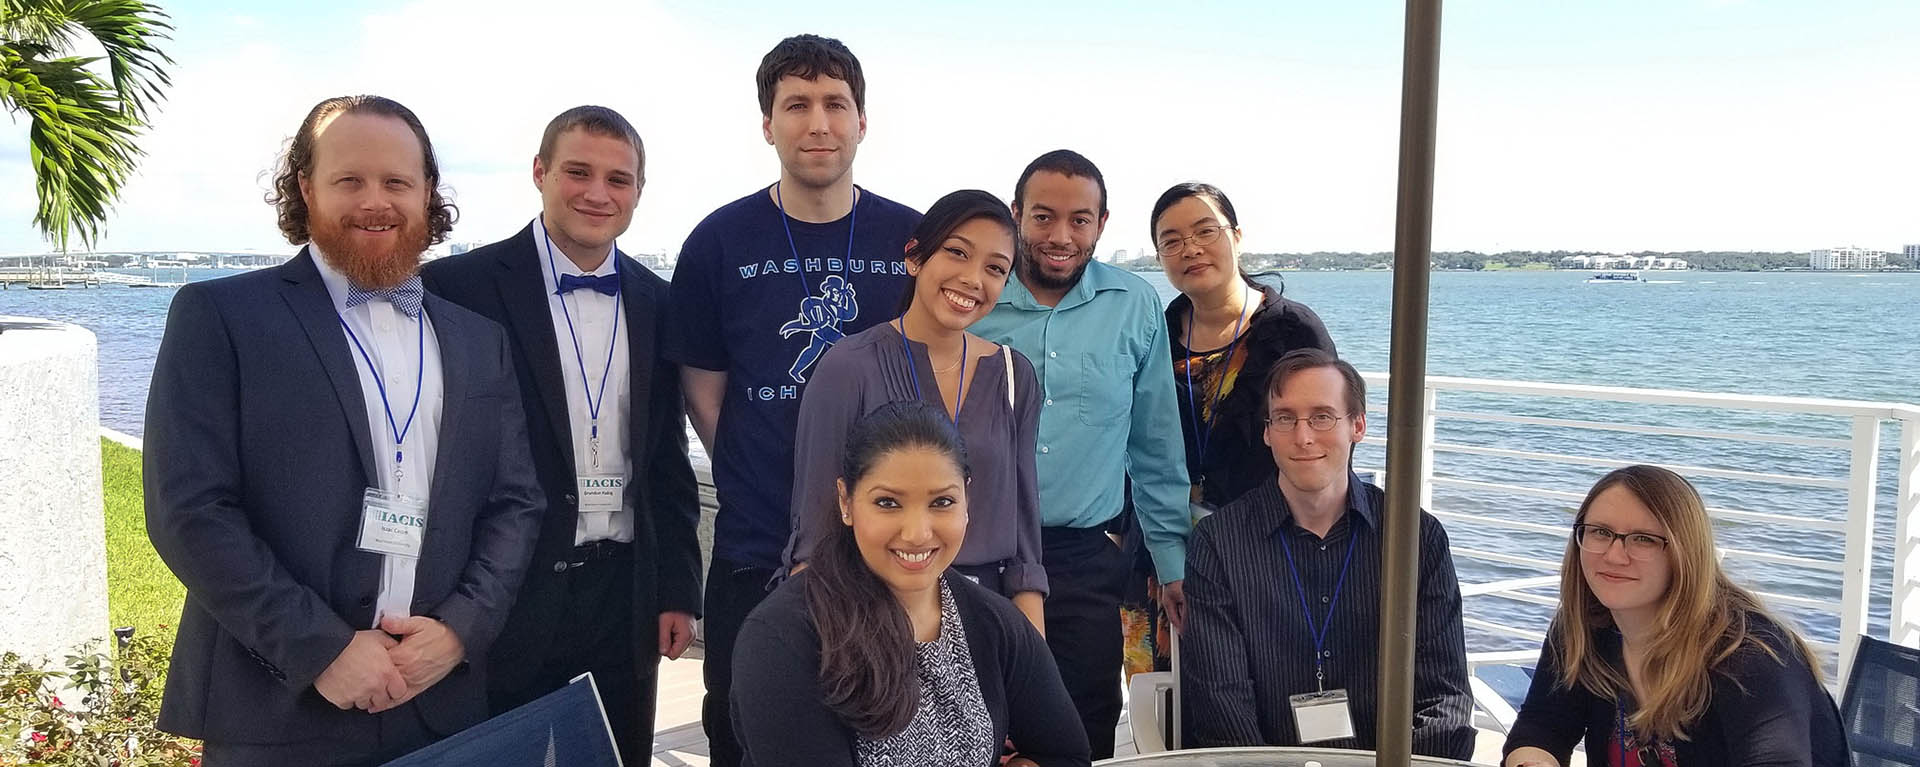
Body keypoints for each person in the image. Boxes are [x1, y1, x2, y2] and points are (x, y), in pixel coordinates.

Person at [143, 95, 543, 765]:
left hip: (438, 706)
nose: (374, 201)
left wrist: (457, 632)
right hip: (279, 709)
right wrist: (321, 647)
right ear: (306, 187)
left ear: (427, 193)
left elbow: (516, 502)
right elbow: (188, 510)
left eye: (396, 182)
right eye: (349, 180)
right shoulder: (220, 316)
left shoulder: (480, 341)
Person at [664, 33, 922, 767]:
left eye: (836, 104)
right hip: (756, 549)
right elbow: (706, 395)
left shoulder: (911, 237)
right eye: (797, 105)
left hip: (889, 554)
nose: (818, 123)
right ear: (767, 124)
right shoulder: (719, 241)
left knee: (892, 737)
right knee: (746, 735)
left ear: (862, 122)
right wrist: (765, 472)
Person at [418, 105, 701, 763]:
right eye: (578, 171)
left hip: (623, 594)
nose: (597, 193)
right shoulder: (457, 288)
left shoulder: (660, 302)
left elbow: (666, 457)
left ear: (637, 191)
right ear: (540, 172)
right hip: (501, 593)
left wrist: (678, 589)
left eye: (618, 179)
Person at [969, 149, 1189, 759]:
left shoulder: (1134, 303)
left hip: (1085, 557)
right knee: (971, 721)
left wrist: (1170, 560)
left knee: (1082, 721)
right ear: (1016, 216)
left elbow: (1156, 444)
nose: (1060, 236)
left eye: (1080, 220)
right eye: (1043, 217)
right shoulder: (974, 301)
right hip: (975, 551)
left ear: (1102, 222)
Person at [732, 401, 1089, 767]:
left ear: (967, 499)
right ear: (846, 501)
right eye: (888, 503)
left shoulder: (992, 621)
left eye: (942, 502)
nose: (917, 533)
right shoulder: (783, 637)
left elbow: (1067, 754)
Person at [1182, 349, 1474, 758]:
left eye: (1322, 417)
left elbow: (1444, 699)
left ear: (1358, 426)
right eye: (1285, 418)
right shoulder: (1218, 543)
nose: (1303, 436)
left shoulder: (1415, 538)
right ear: (1267, 432)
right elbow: (1222, 705)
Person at [784, 189, 1045, 629]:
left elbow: (1024, 544)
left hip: (987, 618)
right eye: (957, 253)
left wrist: (1033, 658)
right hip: (872, 615)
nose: (972, 278)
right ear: (914, 257)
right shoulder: (848, 367)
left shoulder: (1013, 376)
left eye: (995, 268)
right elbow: (815, 531)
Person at [1123, 181, 1338, 678]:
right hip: (1161, 548)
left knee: (1256, 692)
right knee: (1165, 701)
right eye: (1171, 240)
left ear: (1237, 237)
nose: (1190, 249)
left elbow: (1323, 442)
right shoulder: (1153, 333)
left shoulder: (1292, 331)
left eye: (1205, 231)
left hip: (1264, 553)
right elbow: (1132, 436)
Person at [1502, 465, 1849, 767]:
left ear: (1685, 554)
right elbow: (1543, 725)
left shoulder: (1751, 658)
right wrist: (1534, 760)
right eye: (1600, 532)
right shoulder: (1585, 627)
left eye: (1643, 540)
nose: (1614, 555)